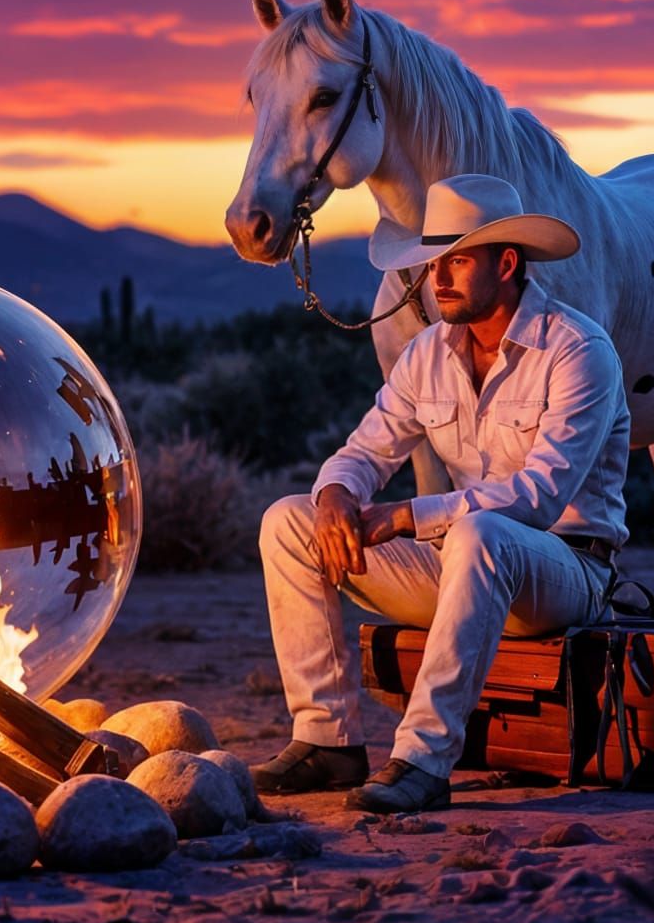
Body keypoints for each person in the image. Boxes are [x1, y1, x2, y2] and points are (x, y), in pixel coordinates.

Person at [252, 174, 631, 813]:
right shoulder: (428, 352)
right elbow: (366, 449)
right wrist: (338, 494)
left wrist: (404, 515)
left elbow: (538, 498)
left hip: (565, 571)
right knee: (288, 521)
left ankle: (424, 761)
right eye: (433, 263)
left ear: (506, 263)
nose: (438, 278)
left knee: (481, 532)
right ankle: (327, 741)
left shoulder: (578, 351)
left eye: (457, 260)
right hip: (465, 567)